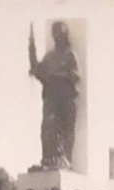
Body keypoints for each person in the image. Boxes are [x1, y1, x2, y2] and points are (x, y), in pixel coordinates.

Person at [29, 21, 80, 171]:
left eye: (59, 34)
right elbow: (38, 71)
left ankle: (64, 159)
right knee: (47, 127)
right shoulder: (50, 57)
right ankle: (48, 159)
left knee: (64, 130)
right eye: (55, 34)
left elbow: (75, 77)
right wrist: (31, 51)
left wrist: (56, 76)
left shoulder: (69, 55)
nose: (57, 37)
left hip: (65, 99)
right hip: (50, 98)